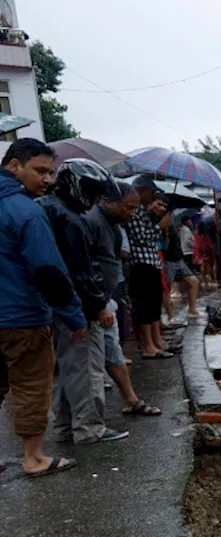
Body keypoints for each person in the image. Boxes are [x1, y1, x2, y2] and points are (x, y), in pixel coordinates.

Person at [0, 139, 84, 477]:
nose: (47, 179)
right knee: (32, 385)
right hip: (22, 317)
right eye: (40, 171)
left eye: (50, 172)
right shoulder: (26, 211)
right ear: (14, 165)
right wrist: (74, 316)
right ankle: (34, 458)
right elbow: (49, 271)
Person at [38, 158, 129, 445]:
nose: (93, 201)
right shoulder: (70, 220)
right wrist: (98, 305)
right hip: (77, 307)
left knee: (68, 369)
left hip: (56, 306)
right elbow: (81, 272)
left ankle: (67, 426)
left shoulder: (48, 209)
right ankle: (89, 428)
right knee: (87, 368)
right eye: (92, 194)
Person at [85, 179, 161, 418]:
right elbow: (87, 267)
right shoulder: (91, 222)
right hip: (93, 302)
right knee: (90, 363)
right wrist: (99, 302)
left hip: (105, 299)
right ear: (109, 202)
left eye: (135, 209)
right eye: (128, 208)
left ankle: (131, 400)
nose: (132, 213)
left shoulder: (113, 225)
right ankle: (87, 426)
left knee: (113, 351)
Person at [123, 176, 175, 358]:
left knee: (153, 304)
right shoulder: (135, 211)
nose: (153, 196)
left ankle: (156, 342)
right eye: (151, 192)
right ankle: (147, 346)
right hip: (140, 263)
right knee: (143, 306)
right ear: (141, 190)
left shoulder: (144, 212)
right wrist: (160, 227)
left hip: (150, 262)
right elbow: (141, 238)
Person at [164, 216, 200, 321]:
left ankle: (192, 309)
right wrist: (165, 232)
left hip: (178, 259)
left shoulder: (173, 226)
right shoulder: (161, 227)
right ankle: (170, 316)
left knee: (194, 282)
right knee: (166, 289)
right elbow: (163, 245)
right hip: (168, 260)